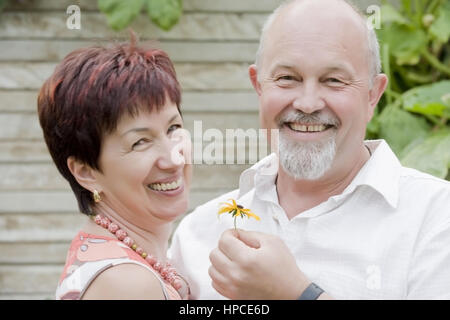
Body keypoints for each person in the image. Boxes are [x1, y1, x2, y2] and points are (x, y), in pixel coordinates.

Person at [169, 0, 450, 300]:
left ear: (373, 96)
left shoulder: (434, 219)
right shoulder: (199, 233)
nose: (307, 103)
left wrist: (296, 294)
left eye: (333, 81)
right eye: (288, 78)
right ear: (259, 86)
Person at [38, 34, 192, 300]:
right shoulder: (127, 284)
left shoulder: (121, 258)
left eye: (173, 127)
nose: (174, 159)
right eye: (140, 142)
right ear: (86, 171)